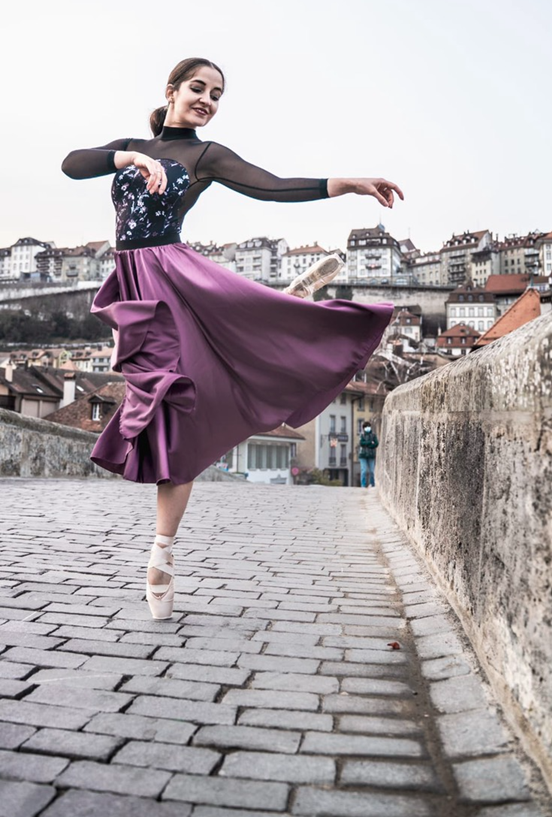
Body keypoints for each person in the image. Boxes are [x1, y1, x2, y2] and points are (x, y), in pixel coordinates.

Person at [61, 57, 404, 620]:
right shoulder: (129, 146)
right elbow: (73, 165)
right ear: (171, 91)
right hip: (132, 283)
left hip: (173, 282)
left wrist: (345, 184)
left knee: (179, 406)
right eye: (199, 88)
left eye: (217, 94)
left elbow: (272, 188)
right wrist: (127, 156)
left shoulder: (205, 155)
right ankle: (163, 551)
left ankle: (162, 554)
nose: (208, 100)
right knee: (159, 407)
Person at [358, 420, 379, 488]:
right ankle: (363, 485)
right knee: (363, 470)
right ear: (363, 428)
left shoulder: (373, 435)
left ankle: (372, 484)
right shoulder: (362, 435)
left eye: (368, 427)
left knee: (372, 471)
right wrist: (370, 442)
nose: (367, 428)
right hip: (363, 455)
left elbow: (376, 443)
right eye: (366, 427)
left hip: (371, 455)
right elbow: (361, 443)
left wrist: (367, 444)